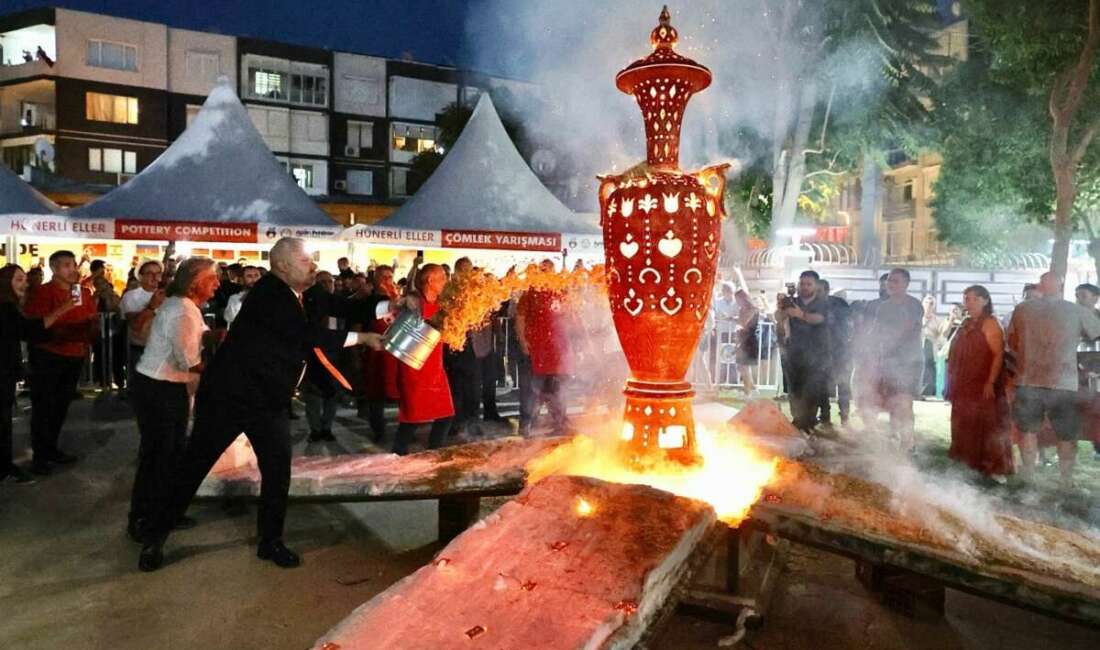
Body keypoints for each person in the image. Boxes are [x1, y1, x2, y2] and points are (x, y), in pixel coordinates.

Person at [138, 238, 383, 572]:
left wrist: (388, 305)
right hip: (229, 398)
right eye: (305, 261)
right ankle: (154, 537)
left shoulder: (306, 292)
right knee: (193, 467)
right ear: (282, 266)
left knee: (277, 472)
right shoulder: (270, 294)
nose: (313, 266)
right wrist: (362, 338)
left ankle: (271, 542)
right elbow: (306, 334)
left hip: (269, 401)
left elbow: (344, 307)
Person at [127, 258, 219, 542]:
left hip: (163, 387)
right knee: (159, 456)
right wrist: (224, 370)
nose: (217, 283)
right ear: (193, 283)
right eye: (211, 278)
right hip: (160, 389)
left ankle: (163, 512)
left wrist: (216, 335)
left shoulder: (185, 306)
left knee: (170, 453)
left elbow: (199, 335)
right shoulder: (183, 311)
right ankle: (144, 518)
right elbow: (188, 361)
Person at [1006, 271, 1100, 488]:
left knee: (1028, 431)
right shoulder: (1074, 309)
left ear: (1040, 286)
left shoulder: (1022, 309)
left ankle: (1028, 475)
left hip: (1028, 380)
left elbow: (1012, 341)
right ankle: (1066, 481)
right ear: (1061, 286)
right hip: (1062, 382)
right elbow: (1095, 333)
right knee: (1066, 434)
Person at [24, 250, 98, 475]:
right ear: (54, 268)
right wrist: (65, 310)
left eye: (73, 264)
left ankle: (51, 448)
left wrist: (90, 329)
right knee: (44, 406)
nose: (72, 269)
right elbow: (37, 324)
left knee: (61, 405)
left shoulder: (83, 292)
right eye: (66, 265)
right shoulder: (43, 292)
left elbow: (90, 318)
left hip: (74, 354)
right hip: (49, 355)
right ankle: (40, 456)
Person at [0, 265, 75, 484]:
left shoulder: (11, 305)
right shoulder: (5, 307)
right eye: (19, 279)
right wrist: (63, 309)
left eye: (25, 279)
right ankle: (4, 469)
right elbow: (29, 329)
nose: (25, 284)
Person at [946, 285, 1012, 481]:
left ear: (985, 301)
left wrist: (990, 382)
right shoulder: (966, 322)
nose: (969, 302)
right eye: (966, 298)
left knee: (987, 424)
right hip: (963, 381)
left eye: (974, 299)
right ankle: (967, 462)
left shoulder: (990, 323)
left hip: (982, 382)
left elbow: (998, 354)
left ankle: (993, 467)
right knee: (964, 422)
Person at [392, 264, 455, 455]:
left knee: (445, 414)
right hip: (414, 369)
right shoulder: (414, 301)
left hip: (435, 368)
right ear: (429, 280)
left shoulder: (443, 304)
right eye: (442, 278)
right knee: (411, 419)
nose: (446, 281)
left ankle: (434, 452)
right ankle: (397, 454)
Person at [858, 268, 923, 450]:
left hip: (909, 361)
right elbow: (875, 330)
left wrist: (886, 344)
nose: (891, 284)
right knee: (890, 400)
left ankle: (908, 442)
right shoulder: (883, 307)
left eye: (895, 281)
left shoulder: (913, 305)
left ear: (906, 284)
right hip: (887, 362)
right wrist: (863, 341)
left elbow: (906, 328)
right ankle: (894, 437)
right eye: (889, 281)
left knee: (904, 401)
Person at [516, 260, 573, 437]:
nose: (547, 274)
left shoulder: (560, 291)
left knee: (556, 387)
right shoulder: (530, 292)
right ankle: (526, 424)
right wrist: (523, 341)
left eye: (550, 271)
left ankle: (559, 421)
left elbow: (568, 316)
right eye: (544, 271)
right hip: (536, 349)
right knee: (531, 388)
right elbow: (520, 318)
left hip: (556, 351)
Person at [775, 270, 829, 433]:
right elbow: (779, 319)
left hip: (816, 354)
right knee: (795, 391)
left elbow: (819, 318)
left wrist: (801, 314)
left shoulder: (823, 303)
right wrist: (780, 310)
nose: (804, 287)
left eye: (808, 284)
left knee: (811, 391)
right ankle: (798, 422)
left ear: (816, 286)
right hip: (793, 353)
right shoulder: (792, 301)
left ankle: (808, 424)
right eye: (802, 283)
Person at [302, 271, 348, 442]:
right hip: (314, 356)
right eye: (323, 282)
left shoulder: (340, 304)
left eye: (330, 282)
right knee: (313, 396)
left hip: (335, 356)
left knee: (332, 394)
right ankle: (315, 429)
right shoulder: (310, 305)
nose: (327, 285)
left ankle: (327, 427)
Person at [120, 260, 165, 378]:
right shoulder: (131, 296)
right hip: (140, 351)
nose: (155, 277)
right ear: (141, 276)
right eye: (150, 273)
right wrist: (152, 306)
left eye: (158, 273)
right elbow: (135, 325)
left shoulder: (167, 295)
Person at [816, 279, 850, 426]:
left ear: (827, 290)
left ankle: (844, 416)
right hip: (821, 352)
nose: (817, 294)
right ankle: (825, 416)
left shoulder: (839, 304)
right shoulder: (813, 305)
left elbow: (847, 323)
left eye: (820, 291)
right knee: (822, 385)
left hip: (840, 351)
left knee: (843, 385)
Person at [733, 289, 759, 398]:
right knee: (742, 366)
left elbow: (744, 322)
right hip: (742, 339)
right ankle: (752, 388)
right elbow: (741, 322)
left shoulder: (752, 309)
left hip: (749, 340)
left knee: (744, 367)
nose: (737, 302)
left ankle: (747, 392)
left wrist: (736, 320)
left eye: (738, 299)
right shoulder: (742, 310)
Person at [713, 283, 738, 385]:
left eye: (731, 291)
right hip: (721, 332)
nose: (729, 294)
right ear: (723, 292)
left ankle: (733, 382)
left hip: (733, 332)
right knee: (721, 356)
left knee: (732, 357)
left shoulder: (737, 303)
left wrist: (731, 318)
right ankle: (721, 380)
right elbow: (714, 315)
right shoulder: (718, 302)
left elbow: (740, 316)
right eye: (727, 291)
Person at [920, 295, 941, 398]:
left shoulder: (937, 320)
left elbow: (941, 336)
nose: (928, 305)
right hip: (917, 348)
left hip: (931, 348)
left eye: (931, 303)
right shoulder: (916, 317)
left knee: (930, 369)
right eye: (926, 303)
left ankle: (928, 392)